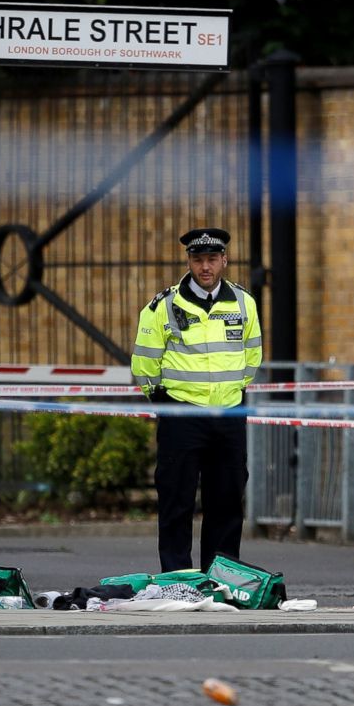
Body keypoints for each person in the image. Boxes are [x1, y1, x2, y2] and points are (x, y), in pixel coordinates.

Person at [131, 227, 262, 572]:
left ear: (224, 261)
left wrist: (230, 392)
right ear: (189, 261)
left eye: (212, 259)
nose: (206, 267)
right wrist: (165, 403)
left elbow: (252, 358)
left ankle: (220, 577)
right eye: (198, 259)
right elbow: (145, 363)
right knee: (177, 500)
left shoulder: (244, 303)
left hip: (229, 413)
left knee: (228, 501)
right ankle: (178, 577)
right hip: (182, 414)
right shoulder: (164, 305)